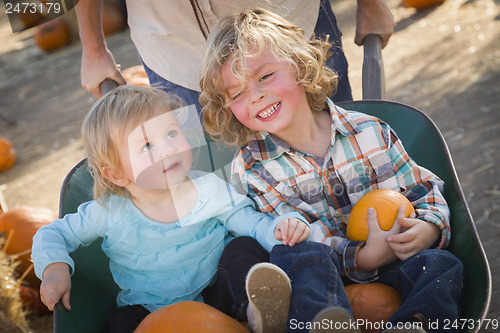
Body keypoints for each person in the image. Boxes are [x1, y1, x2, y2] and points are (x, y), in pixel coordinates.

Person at [199, 8, 464, 333]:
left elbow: (423, 192)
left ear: (299, 64)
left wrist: (428, 229)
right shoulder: (254, 167)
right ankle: (320, 325)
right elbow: (302, 237)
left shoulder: (369, 132)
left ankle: (414, 326)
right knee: (296, 251)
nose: (255, 96)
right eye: (237, 93)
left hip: (398, 261)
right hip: (318, 284)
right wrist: (363, 257)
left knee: (442, 265)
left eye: (265, 76)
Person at [31, 85, 311, 333]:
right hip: (156, 315)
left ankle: (257, 316)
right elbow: (53, 233)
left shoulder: (207, 188)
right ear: (116, 174)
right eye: (148, 145)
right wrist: (55, 268)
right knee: (121, 322)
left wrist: (278, 228)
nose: (168, 149)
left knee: (243, 248)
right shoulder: (108, 212)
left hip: (220, 294)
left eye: (171, 133)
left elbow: (251, 222)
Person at [75, 0, 395, 108]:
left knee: (344, 165)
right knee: (221, 199)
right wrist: (92, 45)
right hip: (175, 52)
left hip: (289, 24)